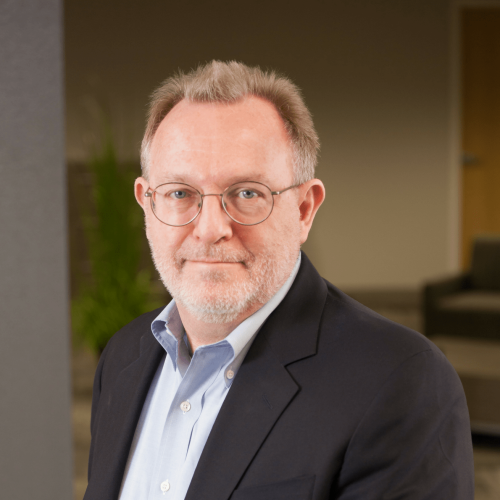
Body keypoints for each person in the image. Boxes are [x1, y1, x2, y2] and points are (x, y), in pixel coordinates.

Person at [84, 61, 474, 500]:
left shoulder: (400, 381)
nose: (210, 229)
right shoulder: (124, 358)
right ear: (147, 204)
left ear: (305, 209)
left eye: (247, 193)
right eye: (179, 193)